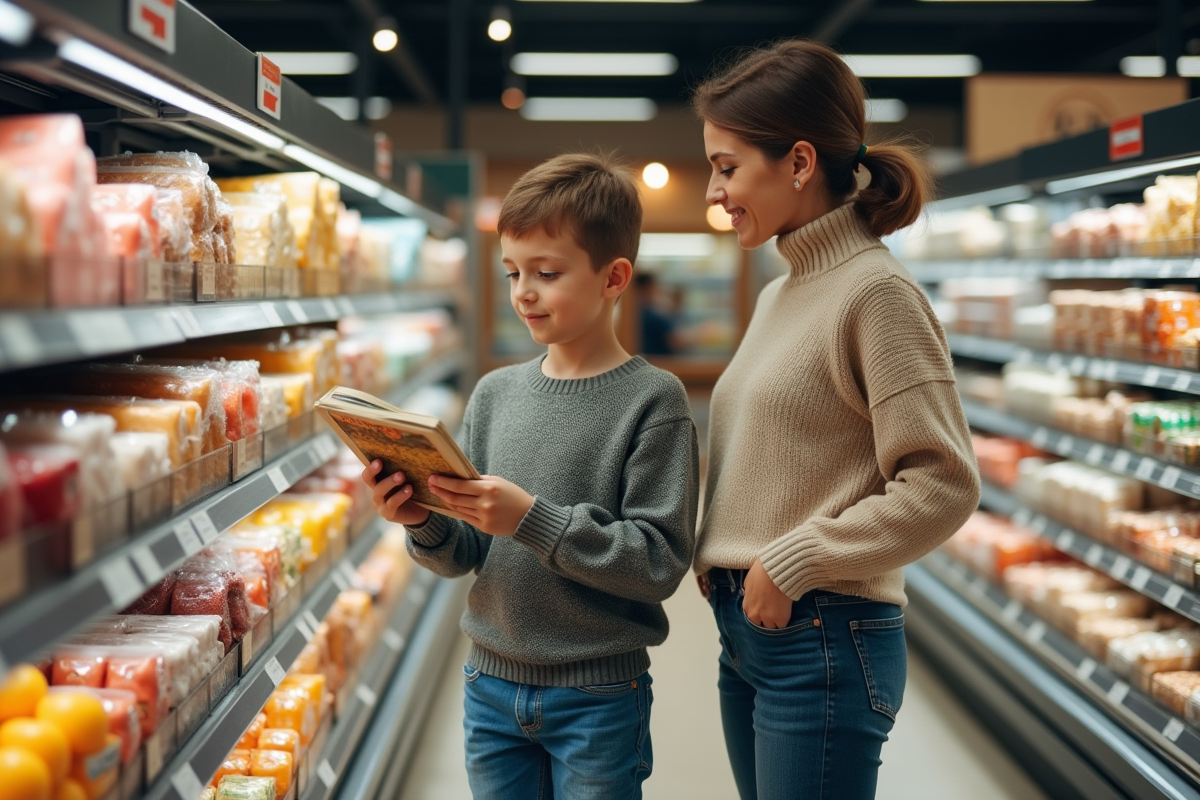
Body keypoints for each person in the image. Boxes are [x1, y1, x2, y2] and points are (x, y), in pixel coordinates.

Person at [692, 40, 981, 800]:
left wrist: (792, 560)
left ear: (797, 162)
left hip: (821, 636)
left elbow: (943, 483)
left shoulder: (876, 295)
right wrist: (712, 555)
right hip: (752, 632)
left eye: (726, 167)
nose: (714, 192)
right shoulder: (779, 293)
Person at [362, 153, 699, 799]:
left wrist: (530, 521)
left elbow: (658, 563)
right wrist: (422, 520)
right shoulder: (494, 395)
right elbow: (465, 555)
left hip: (599, 693)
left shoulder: (654, 401)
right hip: (489, 687)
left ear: (614, 277)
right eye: (513, 272)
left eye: (547, 273)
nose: (523, 292)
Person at [635, 272, 677, 356]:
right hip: (658, 362)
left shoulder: (639, 312)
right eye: (655, 288)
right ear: (648, 287)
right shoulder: (649, 316)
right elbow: (674, 341)